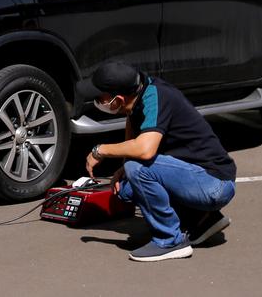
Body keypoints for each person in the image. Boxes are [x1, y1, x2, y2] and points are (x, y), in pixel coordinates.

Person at [78, 62, 236, 262]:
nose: (96, 100)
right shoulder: (141, 92)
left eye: (99, 97)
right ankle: (202, 219)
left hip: (214, 183)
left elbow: (145, 150)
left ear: (117, 100)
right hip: (200, 178)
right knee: (126, 188)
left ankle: (169, 241)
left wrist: (100, 150)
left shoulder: (157, 97)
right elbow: (133, 126)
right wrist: (122, 167)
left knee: (136, 168)